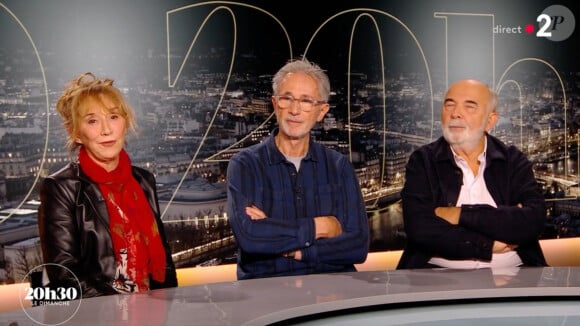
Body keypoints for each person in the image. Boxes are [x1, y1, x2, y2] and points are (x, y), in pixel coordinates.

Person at [226, 59, 369, 280]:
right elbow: (250, 236)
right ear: (275, 104)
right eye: (287, 99)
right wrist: (321, 225)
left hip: (331, 293)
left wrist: (294, 249)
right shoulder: (245, 165)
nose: (294, 110)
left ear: (321, 111)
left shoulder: (339, 166)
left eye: (306, 101)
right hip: (268, 294)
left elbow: (357, 246)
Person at [38, 72, 177, 297]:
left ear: (126, 122)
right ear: (75, 133)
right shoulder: (61, 188)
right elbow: (63, 275)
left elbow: (164, 256)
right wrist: (120, 310)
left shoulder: (143, 180)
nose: (106, 129)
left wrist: (166, 304)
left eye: (113, 117)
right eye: (92, 121)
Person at [397, 79, 548, 270]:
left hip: (515, 275)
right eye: (449, 104)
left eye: (469, 107)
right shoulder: (423, 161)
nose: (455, 113)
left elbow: (532, 221)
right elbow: (420, 228)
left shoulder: (512, 160)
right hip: (437, 280)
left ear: (490, 121)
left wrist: (458, 214)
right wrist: (489, 245)